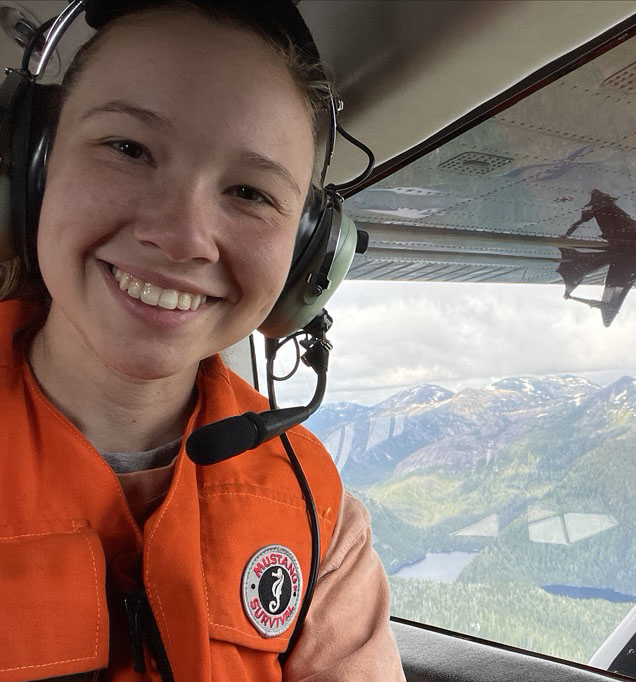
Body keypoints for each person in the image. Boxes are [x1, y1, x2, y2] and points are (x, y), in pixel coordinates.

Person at [0, 1, 405, 679]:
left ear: (308, 254)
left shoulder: (316, 513)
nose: (182, 236)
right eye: (127, 149)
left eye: (249, 192)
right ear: (32, 170)